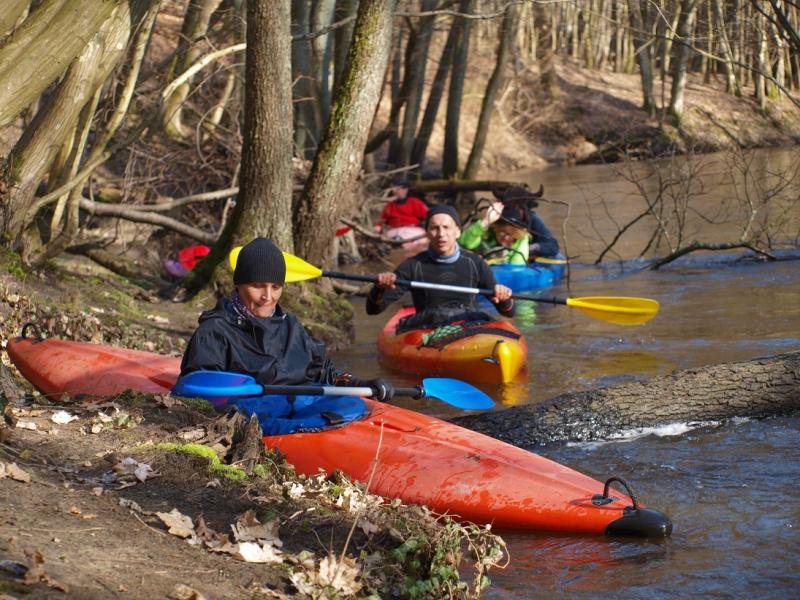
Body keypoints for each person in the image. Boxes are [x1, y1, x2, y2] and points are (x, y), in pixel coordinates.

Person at [180, 237, 394, 401]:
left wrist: (362, 384)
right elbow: (201, 391)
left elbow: (323, 373)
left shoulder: (291, 326)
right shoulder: (214, 332)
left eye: (275, 287)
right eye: (257, 286)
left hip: (299, 408)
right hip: (254, 416)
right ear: (239, 285)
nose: (268, 296)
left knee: (350, 407)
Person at [366, 204, 515, 332]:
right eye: (434, 228)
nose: (441, 234)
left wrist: (504, 297)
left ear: (457, 232)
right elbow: (373, 309)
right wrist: (379, 288)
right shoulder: (413, 265)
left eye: (446, 227)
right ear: (427, 233)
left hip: (469, 328)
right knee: (438, 315)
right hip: (428, 329)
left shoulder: (475, 263)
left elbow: (508, 312)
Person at [495, 186, 560, 258]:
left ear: (524, 208)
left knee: (558, 257)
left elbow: (553, 246)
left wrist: (528, 249)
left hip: (534, 258)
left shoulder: (533, 218)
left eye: (516, 208)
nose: (512, 211)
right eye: (508, 207)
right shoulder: (500, 219)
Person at [459, 201, 531, 265]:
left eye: (510, 234)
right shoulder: (487, 234)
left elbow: (516, 269)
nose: (506, 237)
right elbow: (465, 243)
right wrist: (485, 222)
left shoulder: (521, 242)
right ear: (495, 228)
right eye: (502, 232)